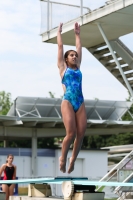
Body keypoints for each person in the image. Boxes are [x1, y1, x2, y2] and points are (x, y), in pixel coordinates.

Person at [57, 22, 87, 174]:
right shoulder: (63, 68)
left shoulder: (78, 67)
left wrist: (77, 34)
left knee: (81, 134)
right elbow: (60, 47)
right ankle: (62, 158)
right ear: (66, 59)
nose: (75, 56)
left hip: (80, 101)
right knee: (71, 133)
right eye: (72, 55)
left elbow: (80, 48)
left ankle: (72, 160)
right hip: (68, 101)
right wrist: (59, 33)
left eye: (75, 55)